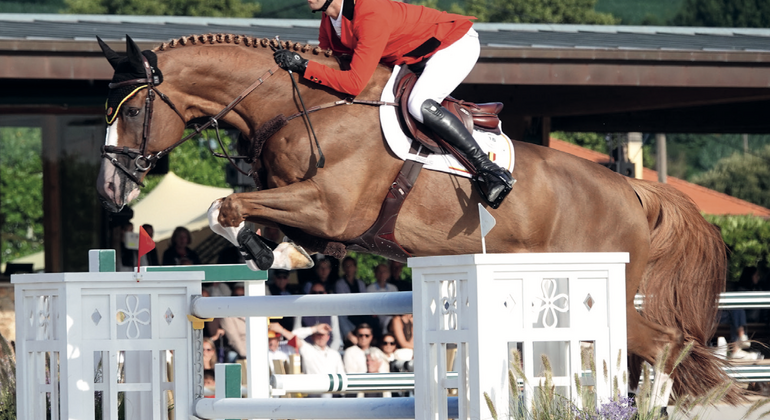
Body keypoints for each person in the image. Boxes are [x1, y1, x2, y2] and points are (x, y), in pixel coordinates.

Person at [272, 0, 514, 208]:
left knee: (419, 103)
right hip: (414, 56)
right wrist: (293, 59)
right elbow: (328, 61)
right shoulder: (329, 19)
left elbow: (354, 83)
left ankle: (490, 170)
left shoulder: (370, 14)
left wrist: (303, 66)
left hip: (454, 45)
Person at [269, 322, 345, 398]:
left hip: (332, 392)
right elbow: (294, 335)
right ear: (312, 337)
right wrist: (316, 329)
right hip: (313, 393)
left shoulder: (334, 354)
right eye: (318, 334)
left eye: (323, 335)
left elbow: (341, 375)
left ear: (328, 337)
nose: (321, 337)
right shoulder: (308, 349)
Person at [294, 281, 344, 352]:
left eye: (320, 293)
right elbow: (295, 334)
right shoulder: (301, 311)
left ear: (325, 294)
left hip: (327, 353)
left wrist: (329, 354)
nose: (317, 295)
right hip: (306, 352)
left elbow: (336, 338)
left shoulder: (331, 312)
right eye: (314, 293)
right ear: (309, 294)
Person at [334, 257, 374, 342]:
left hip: (361, 312)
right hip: (348, 314)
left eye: (350, 265)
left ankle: (373, 339)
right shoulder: (340, 284)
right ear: (343, 268)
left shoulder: (360, 283)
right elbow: (343, 302)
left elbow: (365, 301)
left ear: (355, 267)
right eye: (346, 266)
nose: (348, 268)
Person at [366, 264, 399, 336]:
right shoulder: (370, 289)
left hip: (391, 317)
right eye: (379, 272)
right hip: (376, 319)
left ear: (388, 274)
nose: (382, 274)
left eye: (384, 272)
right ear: (375, 273)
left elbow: (396, 307)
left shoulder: (393, 288)